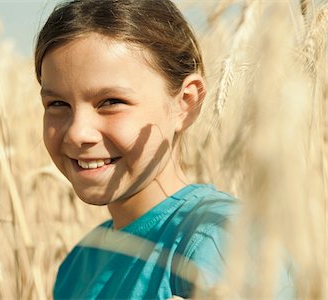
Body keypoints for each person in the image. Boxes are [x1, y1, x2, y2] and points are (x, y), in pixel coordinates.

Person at [34, 0, 237, 298]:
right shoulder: (78, 263)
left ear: (186, 102)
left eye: (111, 102)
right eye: (57, 104)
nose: (78, 132)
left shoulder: (217, 238)